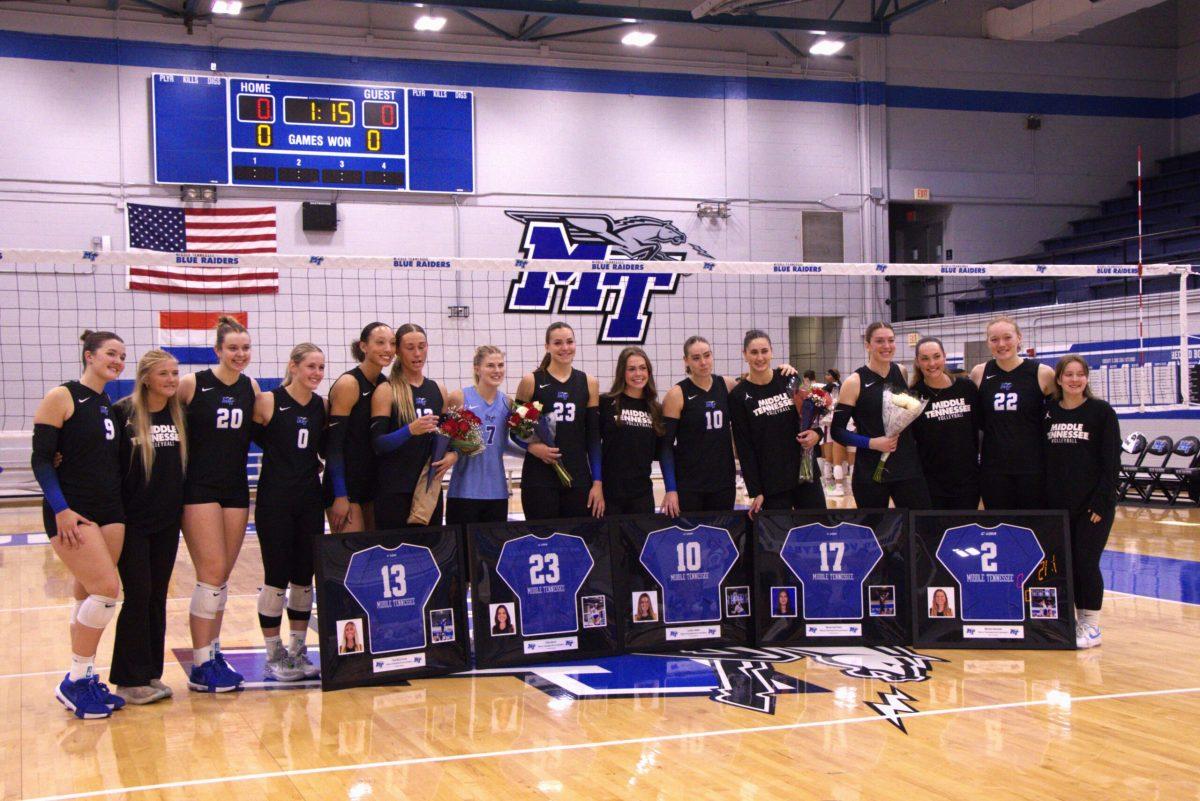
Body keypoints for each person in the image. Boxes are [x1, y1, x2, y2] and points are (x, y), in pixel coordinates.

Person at [32, 331, 128, 718]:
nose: (118, 360)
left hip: (110, 509)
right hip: (73, 510)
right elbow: (41, 460)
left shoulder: (109, 404)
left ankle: (85, 677)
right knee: (106, 592)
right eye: (110, 353)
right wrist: (61, 509)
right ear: (89, 355)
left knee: (86, 592)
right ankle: (73, 680)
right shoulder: (63, 396)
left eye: (122, 355)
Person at [178, 315, 260, 692]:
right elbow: (155, 416)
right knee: (209, 573)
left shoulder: (251, 388)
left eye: (244, 347)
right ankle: (199, 664)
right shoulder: (193, 384)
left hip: (235, 489)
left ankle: (212, 652)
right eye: (232, 348)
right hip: (199, 488)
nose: (239, 354)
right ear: (217, 350)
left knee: (222, 578)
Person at [109, 349, 187, 705]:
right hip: (131, 523)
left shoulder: (178, 412)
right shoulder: (123, 413)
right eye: (164, 374)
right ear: (145, 378)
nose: (171, 380)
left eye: (174, 373)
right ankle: (128, 680)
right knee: (137, 596)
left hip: (166, 521)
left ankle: (150, 673)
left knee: (157, 596)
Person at [252, 344, 327, 682]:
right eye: (311, 366)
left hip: (309, 499)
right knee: (276, 577)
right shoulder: (269, 401)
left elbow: (328, 450)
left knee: (303, 577)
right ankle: (274, 653)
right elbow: (239, 440)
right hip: (274, 501)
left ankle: (298, 650)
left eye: (321, 368)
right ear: (293, 366)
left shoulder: (321, 406)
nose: (316, 373)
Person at [1044, 356, 1121, 649]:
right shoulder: (1048, 412)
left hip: (1092, 507)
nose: (1074, 380)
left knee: (1086, 562)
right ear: (1059, 379)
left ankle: (1092, 626)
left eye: (1080, 375)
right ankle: (1074, 621)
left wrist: (1102, 504)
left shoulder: (1101, 412)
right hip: (1059, 505)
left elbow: (1111, 463)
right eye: (1069, 375)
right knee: (1066, 563)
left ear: (1086, 379)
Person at [831, 322, 930, 511]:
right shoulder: (854, 382)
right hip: (870, 472)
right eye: (879, 341)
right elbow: (837, 431)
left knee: (919, 530)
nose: (887, 346)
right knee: (875, 532)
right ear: (867, 345)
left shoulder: (900, 371)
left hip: (906, 468)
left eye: (891, 340)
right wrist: (872, 443)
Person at [729, 330, 826, 518]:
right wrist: (755, 490)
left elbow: (813, 415)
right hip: (771, 482)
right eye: (754, 352)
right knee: (778, 539)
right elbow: (744, 446)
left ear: (772, 352)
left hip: (805, 473)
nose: (760, 357)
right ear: (745, 355)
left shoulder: (789, 378)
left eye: (764, 351)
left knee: (817, 530)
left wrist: (817, 435)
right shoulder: (738, 396)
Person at [512, 322, 603, 520]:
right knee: (542, 538)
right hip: (539, 478)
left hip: (578, 478)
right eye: (558, 343)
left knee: (576, 541)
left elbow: (594, 439)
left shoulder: (589, 382)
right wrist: (533, 448)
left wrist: (597, 482)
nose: (565, 348)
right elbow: (515, 430)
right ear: (547, 347)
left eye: (569, 342)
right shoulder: (531, 381)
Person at [370, 324, 457, 528]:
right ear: (398, 351)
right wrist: (409, 430)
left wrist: (453, 454)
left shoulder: (438, 390)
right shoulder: (386, 390)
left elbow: (447, 438)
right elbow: (378, 444)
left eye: (422, 346)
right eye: (410, 347)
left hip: (428, 488)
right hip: (394, 489)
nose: (417, 353)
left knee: (430, 552)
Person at [970, 315, 1055, 509]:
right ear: (988, 343)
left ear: (1019, 338)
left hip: (1032, 468)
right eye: (994, 339)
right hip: (994, 469)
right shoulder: (979, 373)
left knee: (1031, 527)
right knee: (999, 527)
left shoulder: (1042, 373)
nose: (1001, 344)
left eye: (1007, 337)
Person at [324, 322, 394, 534]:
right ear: (364, 346)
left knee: (374, 558)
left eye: (392, 343)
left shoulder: (385, 383)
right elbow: (333, 446)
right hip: (346, 485)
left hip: (373, 483)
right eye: (380, 343)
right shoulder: (349, 383)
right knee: (352, 558)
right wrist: (340, 495)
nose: (388, 349)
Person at [659, 336, 737, 516]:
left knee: (720, 540)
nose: (703, 362)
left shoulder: (727, 385)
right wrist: (671, 489)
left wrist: (781, 371)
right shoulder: (676, 394)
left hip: (723, 483)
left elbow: (756, 385)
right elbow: (666, 447)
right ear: (686, 361)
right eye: (696, 358)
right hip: (689, 486)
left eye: (707, 355)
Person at [910, 337, 981, 510]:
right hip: (931, 482)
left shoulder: (967, 387)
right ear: (918, 362)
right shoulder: (913, 395)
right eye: (925, 359)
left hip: (967, 480)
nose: (932, 363)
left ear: (944, 357)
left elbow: (978, 426)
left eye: (936, 356)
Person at [446, 346, 513, 525]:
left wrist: (533, 449)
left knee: (491, 552)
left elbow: (504, 443)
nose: (497, 370)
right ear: (477, 368)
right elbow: (443, 439)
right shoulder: (459, 397)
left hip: (497, 492)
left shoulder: (507, 403)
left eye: (500, 365)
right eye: (490, 365)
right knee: (463, 551)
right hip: (464, 491)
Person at [598, 347, 664, 515]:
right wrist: (596, 484)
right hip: (609, 494)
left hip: (641, 495)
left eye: (643, 368)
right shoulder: (606, 403)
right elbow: (593, 446)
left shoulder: (655, 409)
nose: (638, 374)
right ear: (622, 372)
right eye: (631, 369)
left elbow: (661, 451)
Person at [820, 368, 848, 497]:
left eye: (827, 374)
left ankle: (831, 485)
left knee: (829, 458)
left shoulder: (826, 389)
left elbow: (822, 408)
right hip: (846, 426)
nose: (826, 376)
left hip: (830, 426)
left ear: (832, 376)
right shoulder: (844, 387)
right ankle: (844, 485)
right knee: (843, 459)